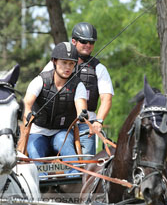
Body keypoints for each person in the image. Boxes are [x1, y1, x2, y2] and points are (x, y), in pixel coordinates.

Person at [42, 22, 114, 156]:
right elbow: (41, 89)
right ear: (74, 41)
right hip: (59, 125)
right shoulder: (55, 64)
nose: (88, 45)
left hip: (86, 125)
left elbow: (106, 98)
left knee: (87, 164)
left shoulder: (99, 69)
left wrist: (98, 121)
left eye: (91, 42)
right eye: (84, 41)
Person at [23, 42, 88, 176]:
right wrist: (28, 113)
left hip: (61, 132)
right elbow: (27, 103)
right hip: (38, 132)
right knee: (34, 153)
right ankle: (42, 183)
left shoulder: (78, 85)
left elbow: (81, 106)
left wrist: (83, 115)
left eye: (71, 64)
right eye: (64, 62)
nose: (68, 67)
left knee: (68, 151)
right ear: (54, 61)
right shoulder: (40, 81)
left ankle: (74, 179)